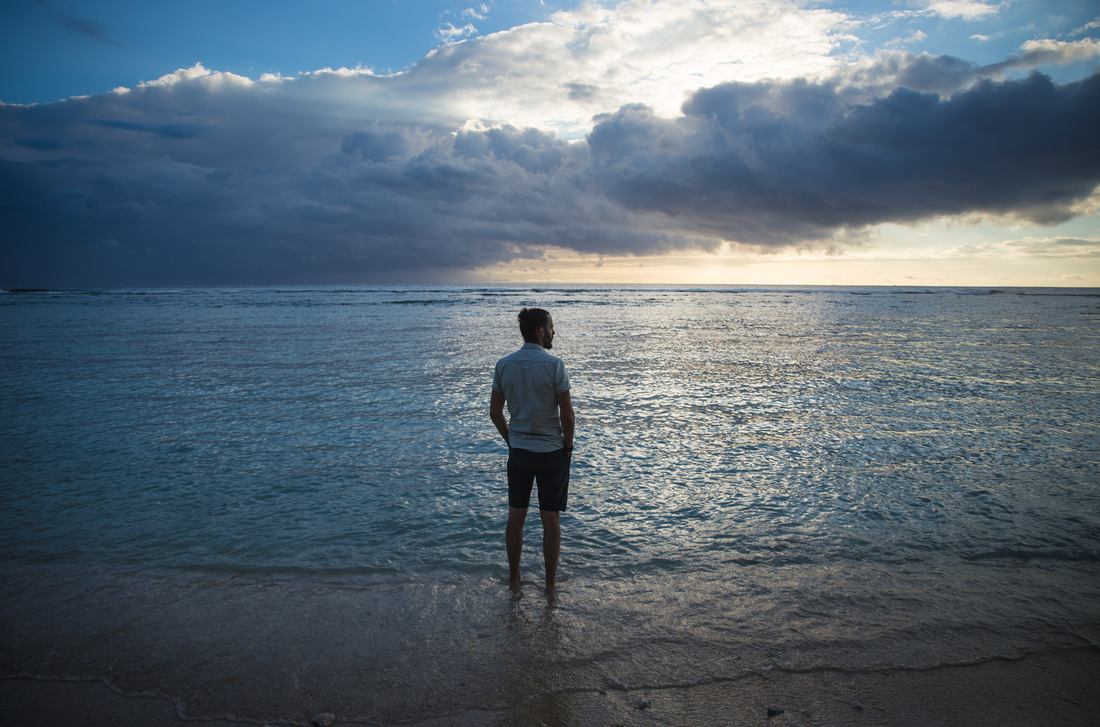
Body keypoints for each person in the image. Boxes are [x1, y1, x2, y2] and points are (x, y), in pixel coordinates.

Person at [490, 308, 575, 590]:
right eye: (551, 327)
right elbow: (567, 415)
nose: (554, 332)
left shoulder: (504, 364)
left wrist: (511, 440)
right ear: (540, 330)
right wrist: (568, 446)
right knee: (550, 517)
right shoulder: (554, 365)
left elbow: (495, 412)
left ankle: (514, 579)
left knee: (516, 515)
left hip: (520, 452)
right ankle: (550, 584)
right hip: (551, 452)